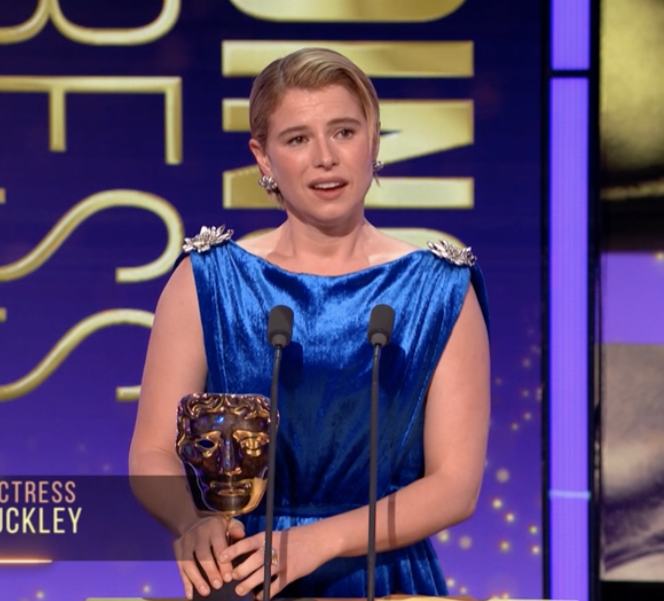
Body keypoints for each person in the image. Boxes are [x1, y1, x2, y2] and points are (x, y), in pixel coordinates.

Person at [129, 47, 490, 599]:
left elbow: (455, 488)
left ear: (373, 141)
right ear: (264, 159)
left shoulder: (441, 291)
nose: (325, 157)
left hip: (382, 577)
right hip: (245, 573)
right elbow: (152, 451)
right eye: (297, 139)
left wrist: (318, 541)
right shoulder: (207, 280)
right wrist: (191, 521)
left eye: (343, 132)